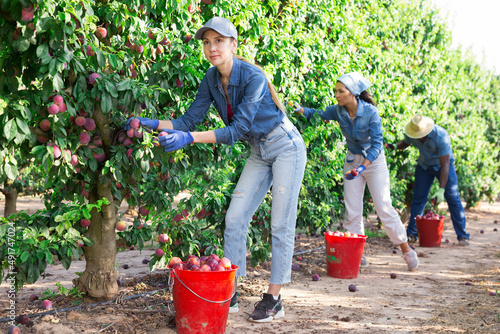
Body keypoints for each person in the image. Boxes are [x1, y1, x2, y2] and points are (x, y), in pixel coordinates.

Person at [124, 17, 307, 322]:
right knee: (234, 219)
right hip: (259, 151)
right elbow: (187, 121)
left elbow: (236, 130)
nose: (212, 48)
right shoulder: (211, 78)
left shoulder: (253, 77)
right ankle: (229, 294)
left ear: (233, 44)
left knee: (280, 224)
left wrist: (189, 139)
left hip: (285, 146)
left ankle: (274, 299)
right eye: (207, 42)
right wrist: (149, 123)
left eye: (219, 41)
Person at [293, 72, 419, 271]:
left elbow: (377, 145)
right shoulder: (339, 111)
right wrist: (299, 109)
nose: (336, 94)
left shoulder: (370, 113)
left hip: (373, 163)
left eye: (340, 91)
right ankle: (357, 254)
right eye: (335, 91)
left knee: (384, 207)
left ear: (353, 93)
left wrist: (363, 167)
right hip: (353, 161)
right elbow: (317, 114)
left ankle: (406, 250)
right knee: (352, 211)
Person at [385, 115, 470, 245]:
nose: (418, 136)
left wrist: (441, 189)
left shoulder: (441, 136)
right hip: (424, 166)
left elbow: (445, 165)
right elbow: (406, 143)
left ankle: (463, 236)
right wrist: (394, 146)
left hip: (443, 166)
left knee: (453, 198)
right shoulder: (412, 133)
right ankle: (412, 234)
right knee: (419, 199)